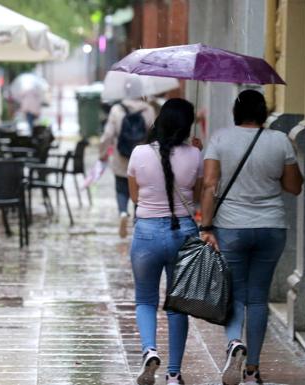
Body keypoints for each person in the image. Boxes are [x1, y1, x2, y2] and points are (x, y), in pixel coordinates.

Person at [199, 89, 303, 385]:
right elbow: (294, 186)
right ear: (263, 112)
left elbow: (209, 184)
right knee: (258, 298)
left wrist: (205, 227)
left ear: (235, 111)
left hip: (231, 227)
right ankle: (253, 370)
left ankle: (234, 342)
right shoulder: (279, 140)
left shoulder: (220, 138)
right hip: (271, 227)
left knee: (234, 294)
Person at [127, 98, 203, 385]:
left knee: (145, 299)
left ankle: (149, 350)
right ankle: (173, 373)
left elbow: (136, 198)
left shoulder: (138, 153)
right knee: (177, 305)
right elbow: (195, 195)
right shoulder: (195, 155)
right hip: (183, 232)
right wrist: (195, 153)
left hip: (146, 232)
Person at [99, 77, 155, 238]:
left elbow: (108, 135)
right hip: (143, 159)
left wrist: (102, 154)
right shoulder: (148, 110)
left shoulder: (117, 109)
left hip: (121, 157)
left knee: (121, 188)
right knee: (141, 191)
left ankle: (123, 213)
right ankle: (138, 221)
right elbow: (154, 135)